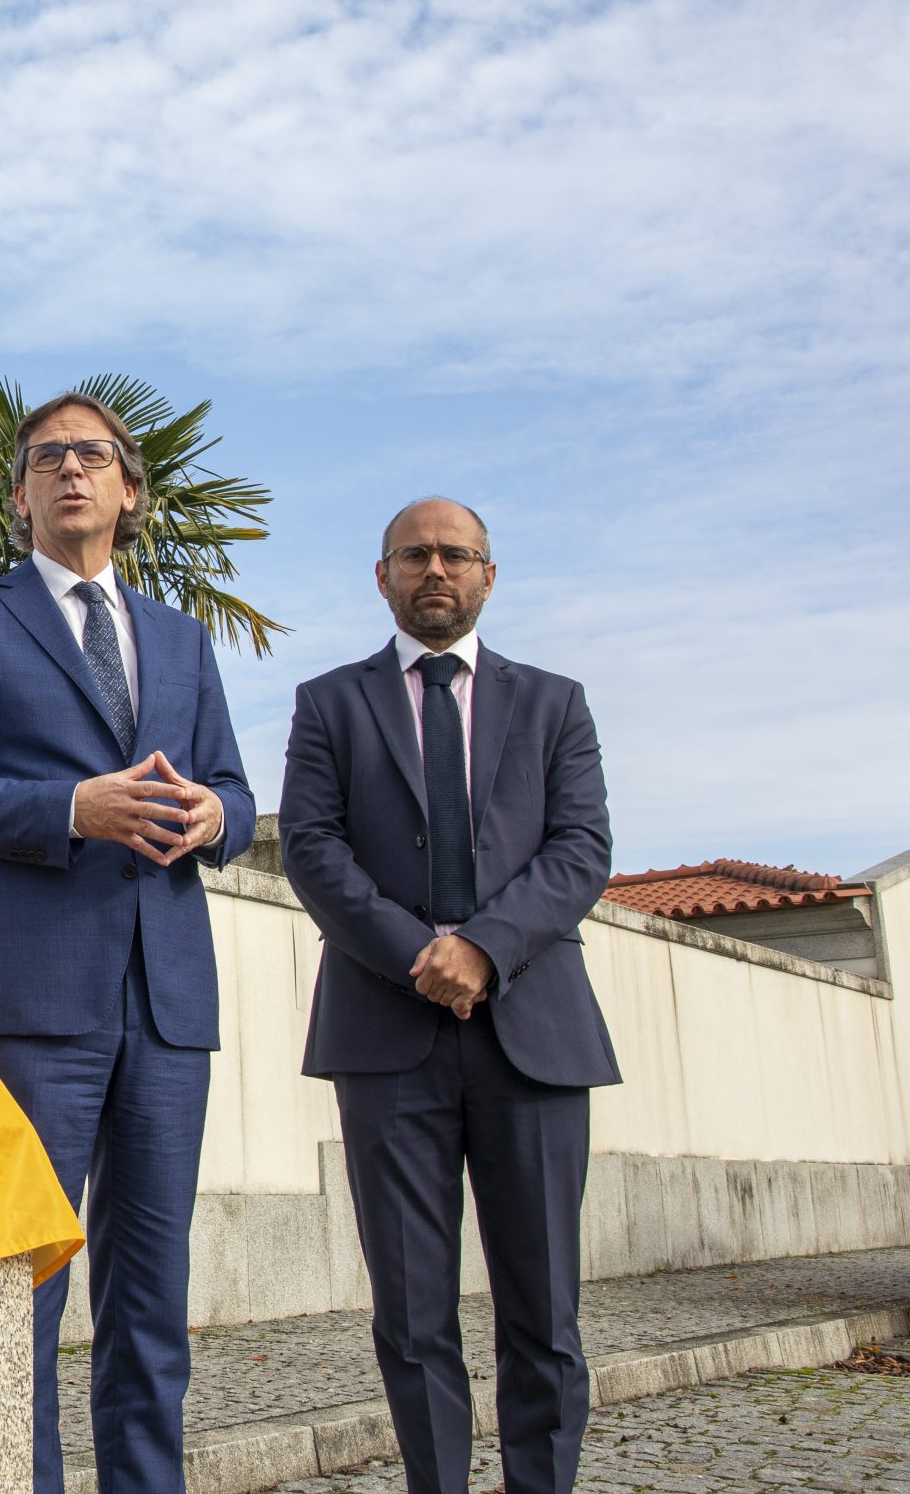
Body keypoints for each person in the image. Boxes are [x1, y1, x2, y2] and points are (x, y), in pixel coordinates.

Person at [0, 390, 255, 1494]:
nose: (70, 472)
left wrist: (214, 821)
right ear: (18, 495)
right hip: (33, 1005)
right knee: (23, 1297)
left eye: (91, 455)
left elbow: (236, 790)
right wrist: (68, 810)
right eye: (46, 457)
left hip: (167, 1005)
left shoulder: (184, 641)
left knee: (152, 1303)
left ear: (128, 489)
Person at [279, 496, 619, 1494]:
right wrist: (418, 955)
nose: (436, 569)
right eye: (415, 554)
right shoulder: (328, 703)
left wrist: (483, 949)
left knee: (543, 1311)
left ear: (487, 576)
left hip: (536, 1037)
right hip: (385, 1037)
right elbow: (310, 846)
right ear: (382, 576)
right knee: (412, 1315)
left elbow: (581, 849)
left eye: (456, 555)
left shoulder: (554, 704)